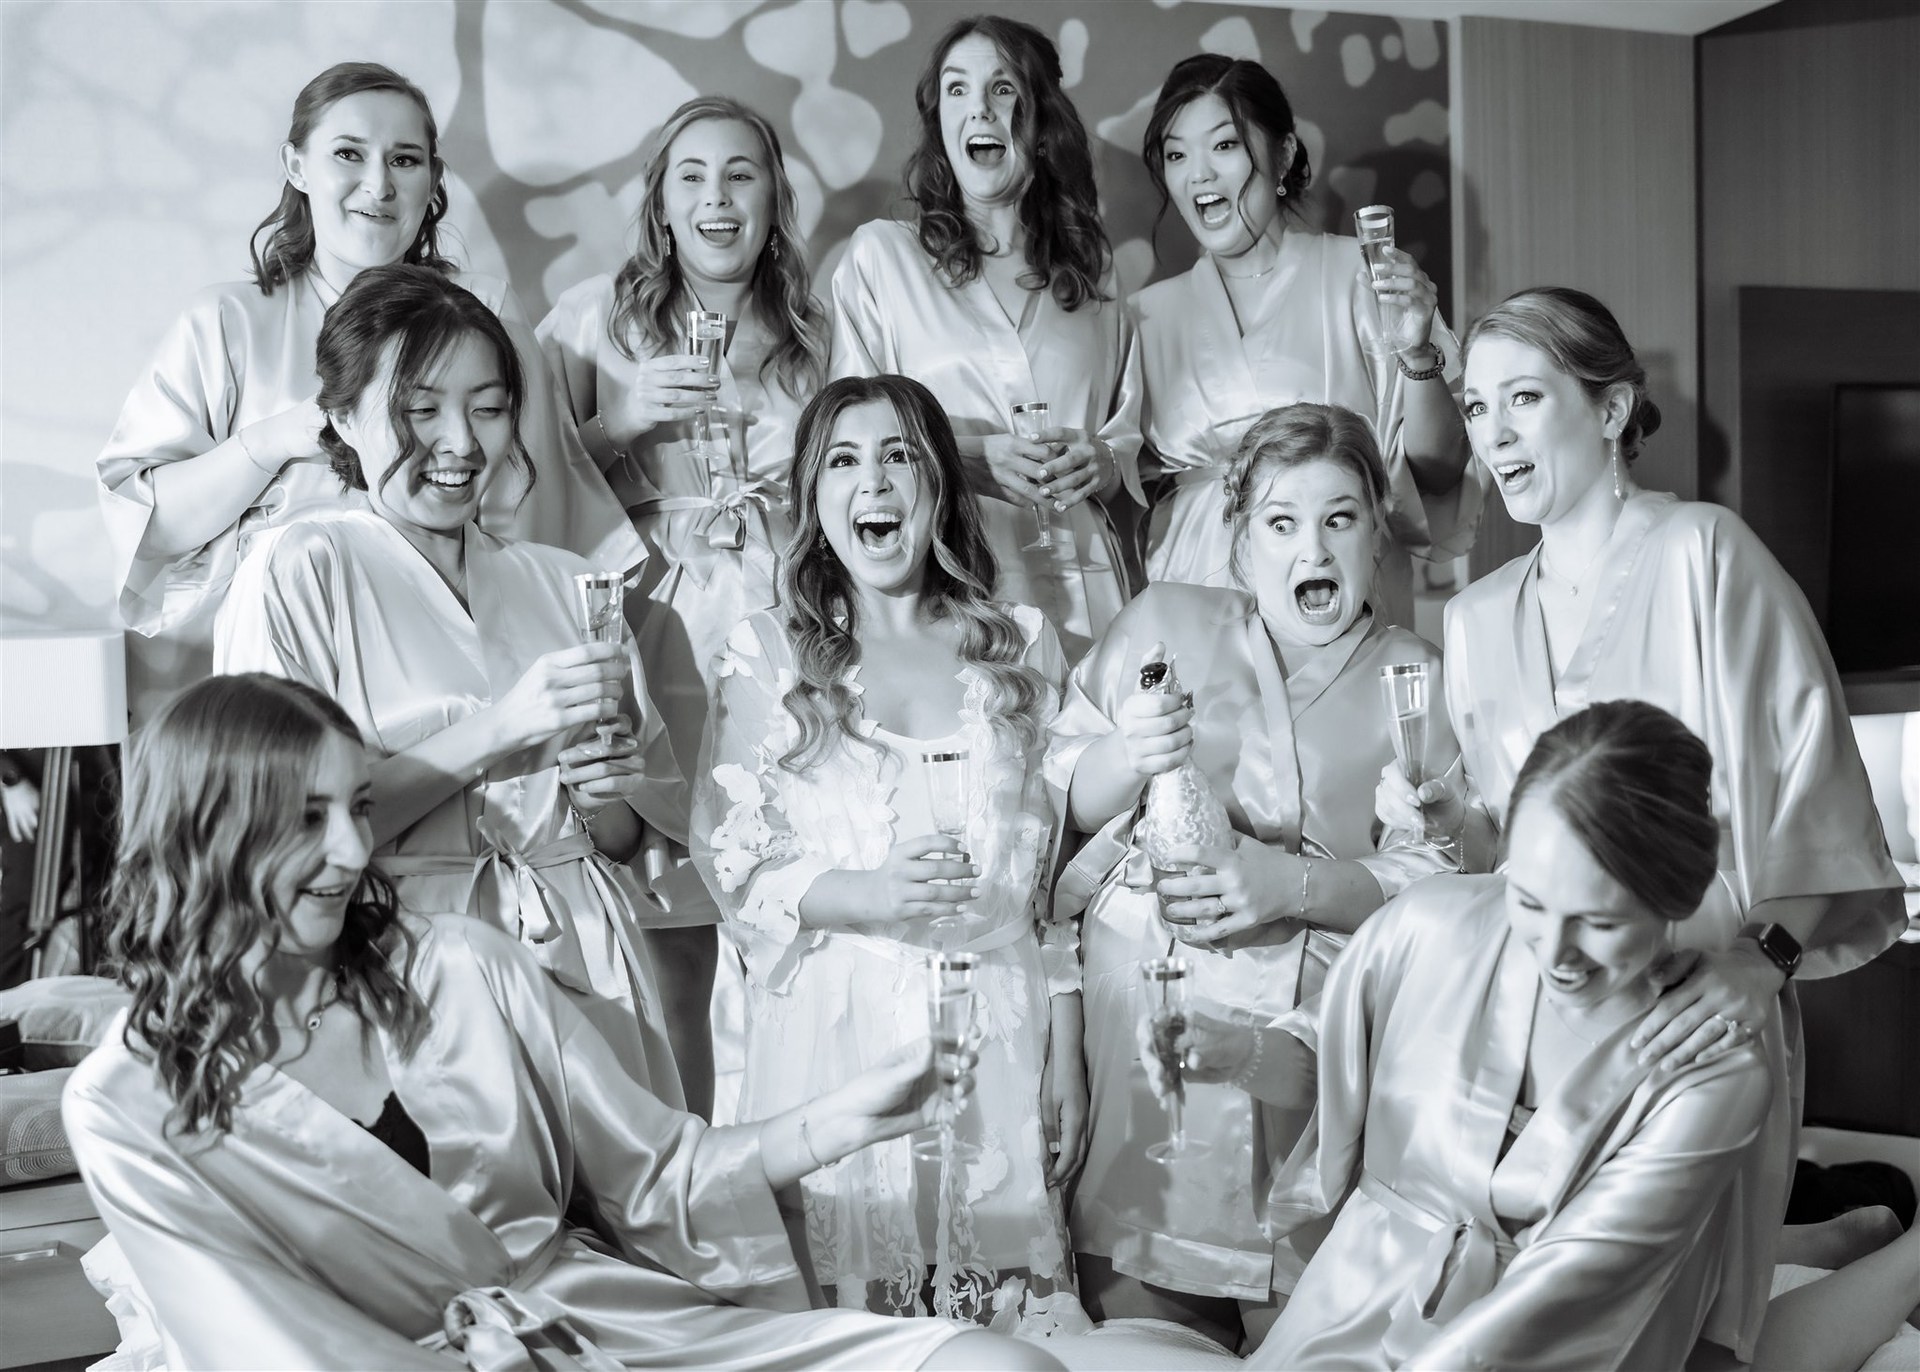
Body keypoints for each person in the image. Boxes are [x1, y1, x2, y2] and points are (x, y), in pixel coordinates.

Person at [63, 672, 1058, 1372]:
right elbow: (265, 1345)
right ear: (205, 831)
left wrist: (842, 1119)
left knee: (1001, 1365)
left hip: (602, 1330)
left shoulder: (462, 966)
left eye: (360, 806)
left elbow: (663, 1176)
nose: (354, 850)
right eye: (305, 818)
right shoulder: (125, 1103)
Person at [1376, 287, 1907, 1362]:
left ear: (1612, 409)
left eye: (1525, 398)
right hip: (1541, 1034)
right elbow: (1505, 858)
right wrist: (1444, 817)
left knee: (1684, 1349)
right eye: (1477, 408)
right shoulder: (1474, 622)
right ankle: (1828, 1238)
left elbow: (1819, 800)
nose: (1494, 433)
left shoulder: (1707, 557)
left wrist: (1760, 962)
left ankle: (1867, 1252)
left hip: (1701, 1010)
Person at [1155, 700, 1777, 1370]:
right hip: (1340, 1322)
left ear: (1678, 896)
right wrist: (1234, 1052)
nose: (1556, 952)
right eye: (1529, 900)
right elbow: (1328, 1069)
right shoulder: (1432, 924)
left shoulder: (1714, 1074)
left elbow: (1560, 1302)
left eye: (1598, 922)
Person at [1049, 404, 1461, 1350]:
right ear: (1239, 543)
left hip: (1311, 1068)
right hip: (1147, 1059)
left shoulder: (1421, 678)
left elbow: (1452, 886)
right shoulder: (1163, 623)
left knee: (1317, 1343)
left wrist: (1293, 886)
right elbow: (1051, 803)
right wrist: (1127, 752)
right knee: (1137, 1350)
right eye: (1281, 522)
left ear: (1377, 535)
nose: (1311, 549)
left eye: (1339, 518)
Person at [215, 264, 682, 1098]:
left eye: (489, 408)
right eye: (421, 410)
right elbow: (278, 838)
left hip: (586, 966)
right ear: (341, 417)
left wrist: (601, 788)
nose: (462, 444)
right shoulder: (299, 569)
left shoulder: (564, 580)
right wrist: (503, 728)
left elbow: (620, 840)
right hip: (401, 973)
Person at [692, 375, 1083, 1326]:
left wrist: (1067, 1052)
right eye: (843, 460)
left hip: (996, 1034)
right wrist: (868, 893)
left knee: (1000, 1323)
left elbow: (1058, 877)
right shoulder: (766, 653)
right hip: (838, 1038)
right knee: (854, 1323)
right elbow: (733, 861)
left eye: (899, 455)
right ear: (814, 498)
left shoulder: (1020, 646)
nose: (873, 480)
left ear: (939, 485)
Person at [97, 61, 638, 714]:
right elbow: (147, 528)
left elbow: (535, 513)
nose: (379, 185)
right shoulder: (227, 322)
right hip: (289, 658)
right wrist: (272, 442)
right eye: (349, 154)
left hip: (454, 666)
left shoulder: (484, 310)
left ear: (433, 180)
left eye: (405, 160)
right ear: (297, 165)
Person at [538, 95, 832, 1120]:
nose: (718, 199)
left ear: (773, 198)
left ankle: (809, 1160)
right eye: (693, 177)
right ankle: (688, 1172)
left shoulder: (815, 331)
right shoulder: (592, 317)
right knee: (674, 950)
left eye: (741, 175)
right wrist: (618, 422)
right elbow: (524, 484)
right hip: (660, 636)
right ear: (661, 202)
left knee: (802, 930)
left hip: (788, 634)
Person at [831, 15, 1143, 661]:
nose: (979, 107)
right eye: (957, 88)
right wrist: (966, 458)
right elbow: (847, 443)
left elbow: (1126, 437)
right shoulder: (883, 257)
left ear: (1040, 120)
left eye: (1002, 88)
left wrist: (1104, 461)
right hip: (956, 581)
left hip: (1089, 583)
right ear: (939, 121)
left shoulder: (1093, 271)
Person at [1130, 55, 1477, 628]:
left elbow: (1439, 475)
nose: (1198, 175)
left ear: (1285, 153)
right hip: (1196, 593)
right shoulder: (1143, 317)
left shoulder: (1363, 277)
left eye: (1224, 145)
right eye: (1176, 154)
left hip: (1338, 587)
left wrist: (1418, 355)